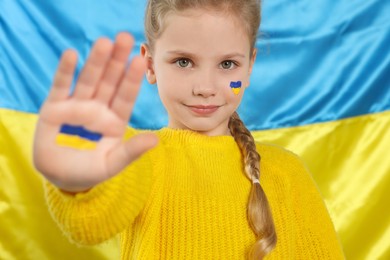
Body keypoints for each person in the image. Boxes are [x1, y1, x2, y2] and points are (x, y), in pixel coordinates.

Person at [33, 0, 345, 259]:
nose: (205, 88)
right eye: (184, 62)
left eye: (227, 65)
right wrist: (78, 184)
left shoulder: (288, 172)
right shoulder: (140, 155)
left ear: (249, 67)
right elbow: (93, 220)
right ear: (151, 65)